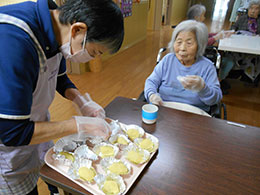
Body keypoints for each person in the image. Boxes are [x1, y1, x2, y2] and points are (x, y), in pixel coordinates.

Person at [0, 0, 124, 194]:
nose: (94, 58)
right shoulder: (14, 41)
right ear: (77, 30)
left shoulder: (55, 24)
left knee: (48, 169)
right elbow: (12, 132)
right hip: (8, 144)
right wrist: (78, 125)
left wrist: (81, 101)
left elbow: (58, 76)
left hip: (33, 121)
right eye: (94, 52)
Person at [144, 20, 222, 113]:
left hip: (194, 114)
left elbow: (215, 99)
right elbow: (151, 81)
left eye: (189, 43)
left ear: (199, 45)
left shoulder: (207, 67)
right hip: (164, 109)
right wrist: (152, 95)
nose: (182, 48)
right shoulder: (167, 60)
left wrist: (202, 88)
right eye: (179, 42)